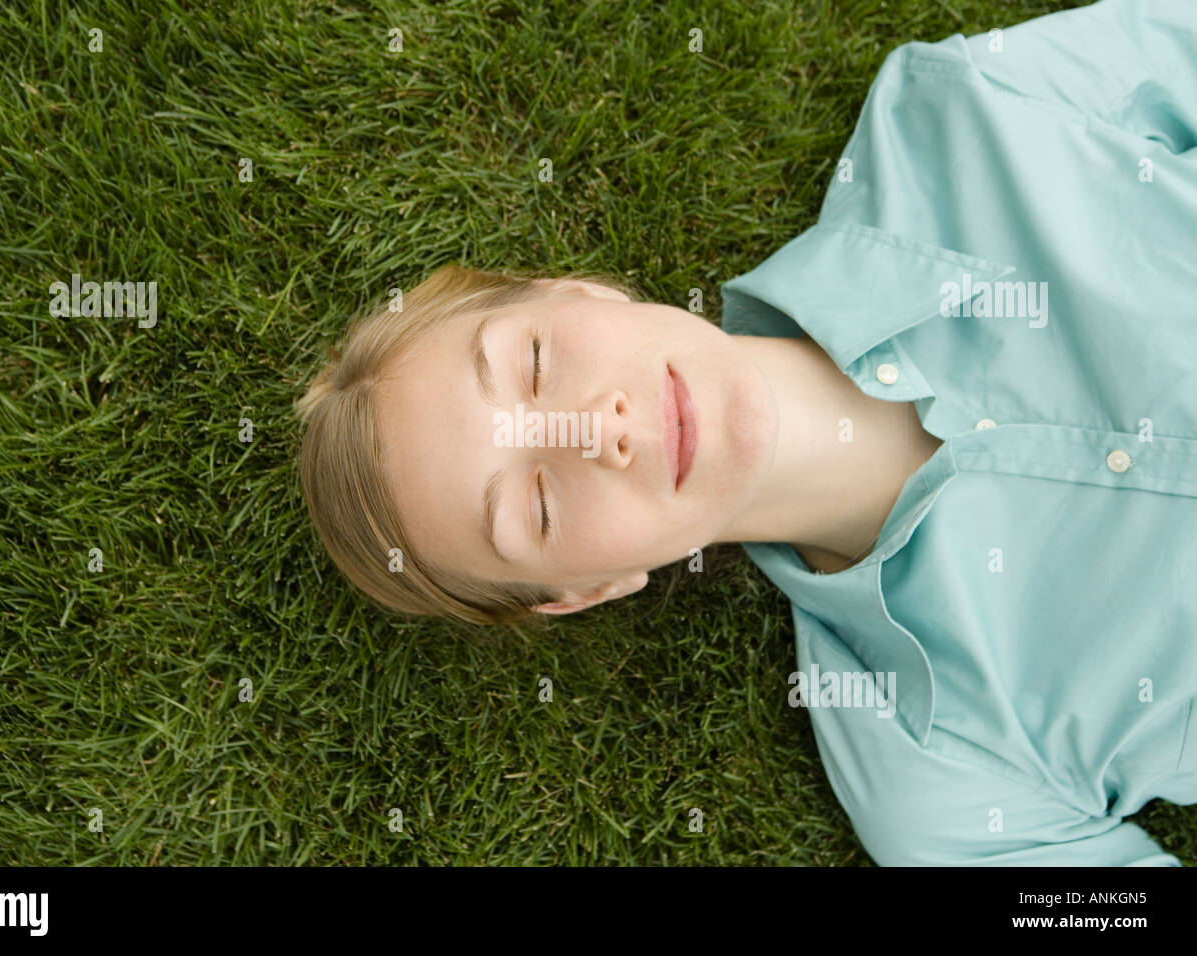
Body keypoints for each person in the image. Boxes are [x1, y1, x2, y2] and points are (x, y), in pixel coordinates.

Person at [297, 0, 1197, 864]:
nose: (593, 432)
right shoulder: (937, 781)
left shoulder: (965, 114)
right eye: (535, 502)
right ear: (584, 589)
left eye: (534, 366)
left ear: (576, 291)